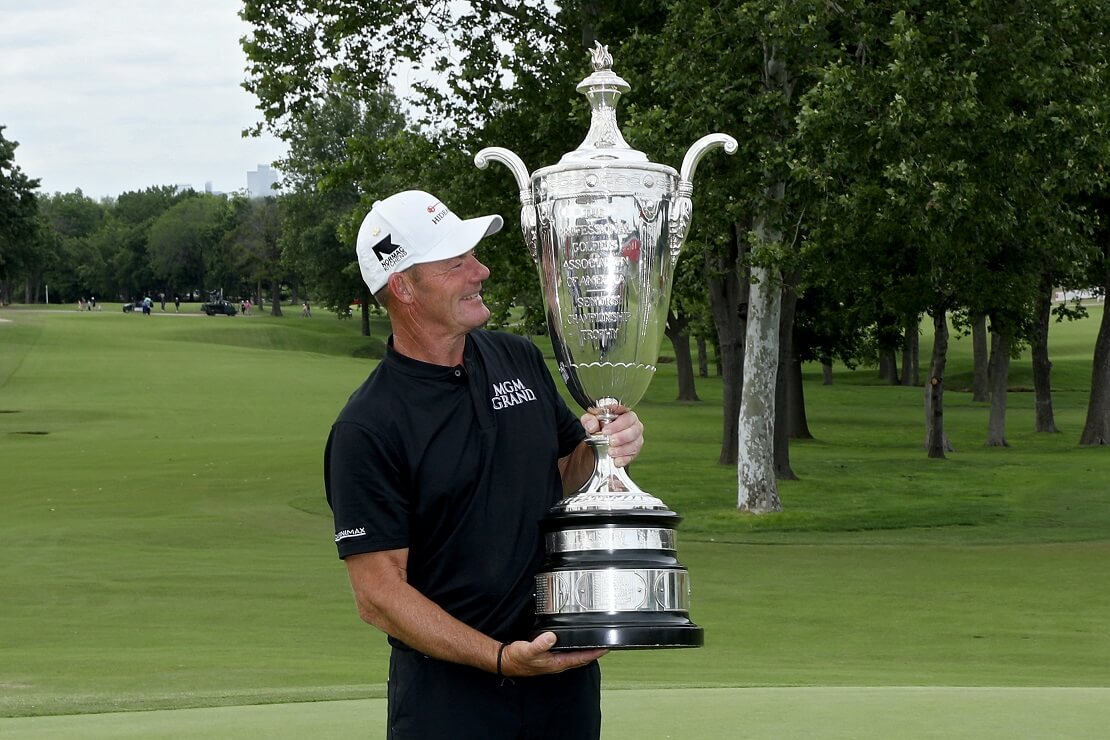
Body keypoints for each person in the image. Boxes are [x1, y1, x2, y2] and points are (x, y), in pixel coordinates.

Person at [324, 190, 644, 740]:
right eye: (456, 263)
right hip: (450, 702)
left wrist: (603, 448)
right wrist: (500, 659)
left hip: (562, 678)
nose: (481, 270)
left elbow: (565, 475)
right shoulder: (368, 426)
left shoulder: (515, 356)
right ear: (402, 286)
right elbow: (378, 596)